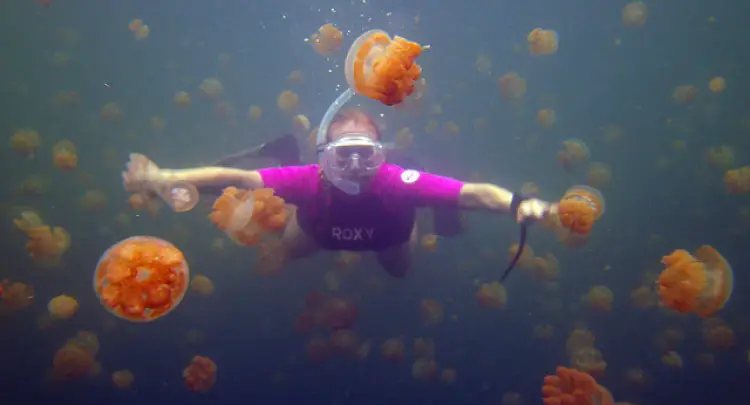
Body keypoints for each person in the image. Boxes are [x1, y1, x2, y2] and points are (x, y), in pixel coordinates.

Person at [122, 108, 558, 278]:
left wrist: (518, 203)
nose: (354, 165)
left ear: (381, 155)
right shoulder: (308, 179)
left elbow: (471, 194)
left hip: (389, 236)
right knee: (284, 252)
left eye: (364, 155)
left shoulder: (399, 181)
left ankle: (414, 225)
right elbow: (235, 177)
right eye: (342, 155)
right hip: (316, 231)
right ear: (323, 155)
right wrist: (164, 175)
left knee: (400, 272)